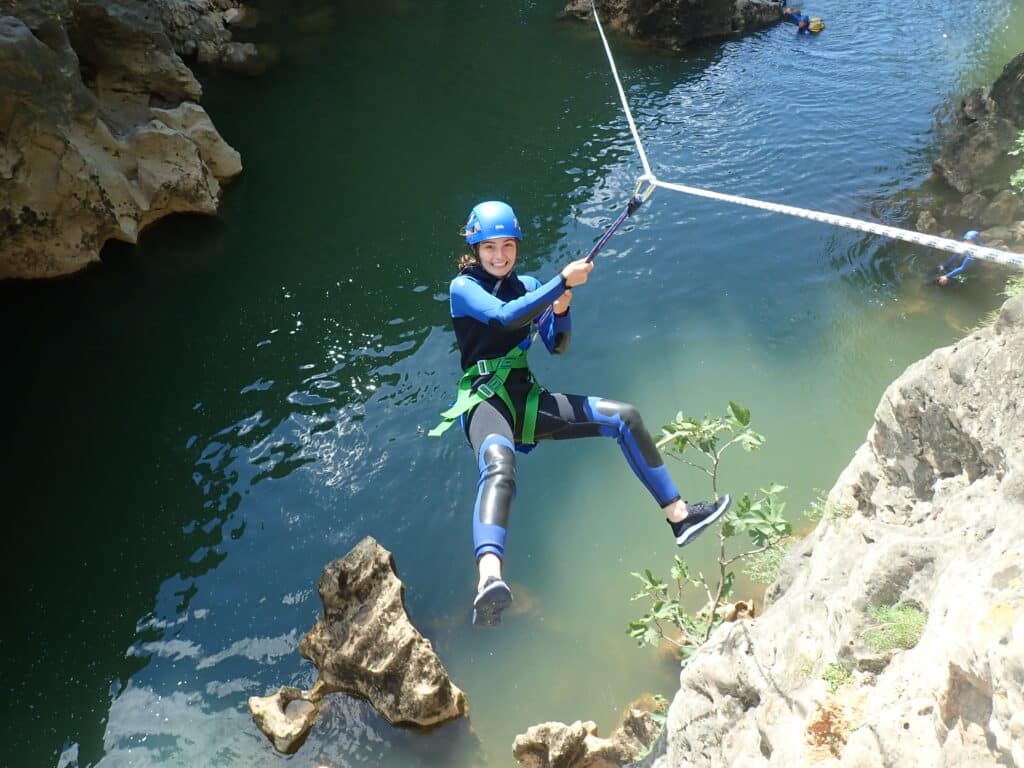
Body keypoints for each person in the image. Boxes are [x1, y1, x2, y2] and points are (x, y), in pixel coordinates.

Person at [432, 200, 731, 627]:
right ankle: (489, 580)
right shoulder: (463, 288)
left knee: (623, 416)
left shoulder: (530, 285)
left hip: (526, 401)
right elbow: (501, 319)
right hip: (485, 402)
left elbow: (559, 346)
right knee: (500, 465)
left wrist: (561, 308)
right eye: (489, 248)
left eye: (507, 246)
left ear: (517, 245)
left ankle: (680, 518)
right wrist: (558, 284)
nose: (499, 256)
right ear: (476, 250)